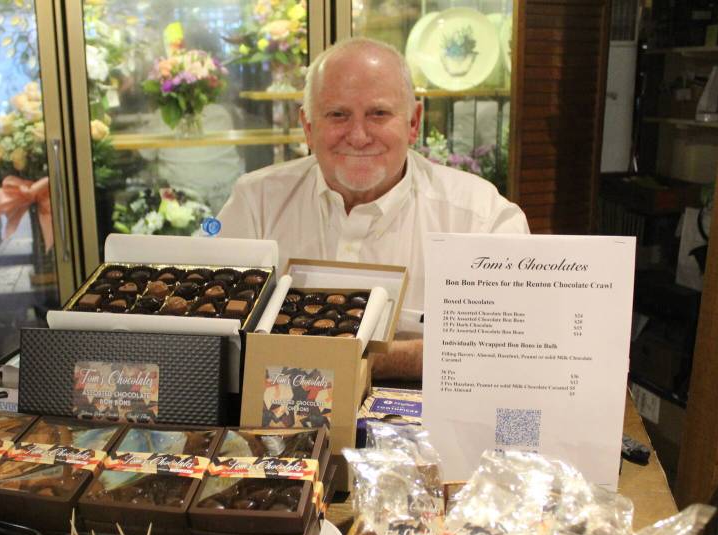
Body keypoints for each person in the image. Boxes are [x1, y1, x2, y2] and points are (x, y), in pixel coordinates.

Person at [216, 37, 529, 379]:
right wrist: (415, 351)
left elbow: (508, 348)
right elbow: (211, 332)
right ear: (308, 126)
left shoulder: (481, 216)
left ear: (413, 123)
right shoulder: (255, 201)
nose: (359, 135)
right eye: (338, 115)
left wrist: (362, 359)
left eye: (378, 114)